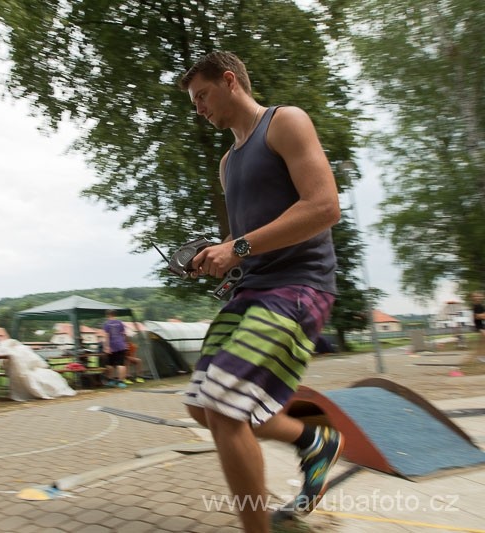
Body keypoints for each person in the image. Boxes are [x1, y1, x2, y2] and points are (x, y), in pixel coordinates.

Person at [178, 51, 344, 532]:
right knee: (200, 403)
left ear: (230, 81)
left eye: (202, 96)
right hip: (252, 289)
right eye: (193, 102)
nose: (198, 108)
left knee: (224, 407)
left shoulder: (285, 122)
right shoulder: (228, 163)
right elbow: (248, 236)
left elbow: (324, 207)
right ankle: (313, 441)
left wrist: (238, 247)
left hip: (300, 285)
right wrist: (216, 254)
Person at [102, 309, 129, 388]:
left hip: (112, 346)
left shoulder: (106, 324)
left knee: (110, 364)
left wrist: (107, 347)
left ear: (107, 315)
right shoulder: (120, 323)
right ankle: (121, 382)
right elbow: (124, 334)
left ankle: (111, 381)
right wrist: (125, 343)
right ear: (115, 314)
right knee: (121, 364)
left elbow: (107, 336)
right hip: (121, 345)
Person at [472, 291, 485, 357]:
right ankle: (480, 354)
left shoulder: (481, 306)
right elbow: (476, 316)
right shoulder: (476, 306)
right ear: (474, 298)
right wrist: (482, 316)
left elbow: (482, 315)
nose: (478, 298)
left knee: (482, 341)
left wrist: (482, 315)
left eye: (480, 296)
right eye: (476, 296)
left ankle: (480, 354)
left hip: (482, 324)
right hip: (479, 325)